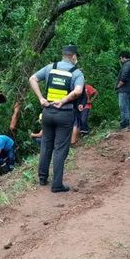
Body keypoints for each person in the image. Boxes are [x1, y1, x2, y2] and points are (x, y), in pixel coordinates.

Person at [28, 44, 84, 193]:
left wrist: (41, 98)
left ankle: (42, 177)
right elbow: (78, 91)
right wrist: (64, 100)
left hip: (47, 113)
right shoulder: (76, 72)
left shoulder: (50, 68)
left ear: (63, 55)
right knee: (60, 149)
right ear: (73, 56)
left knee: (46, 144)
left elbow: (32, 78)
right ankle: (57, 184)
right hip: (64, 115)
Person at [115, 50, 130, 129]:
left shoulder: (126, 65)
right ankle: (128, 124)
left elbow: (124, 78)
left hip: (124, 90)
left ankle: (124, 124)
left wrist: (118, 86)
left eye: (121, 58)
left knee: (123, 107)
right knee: (128, 107)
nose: (120, 60)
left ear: (123, 57)